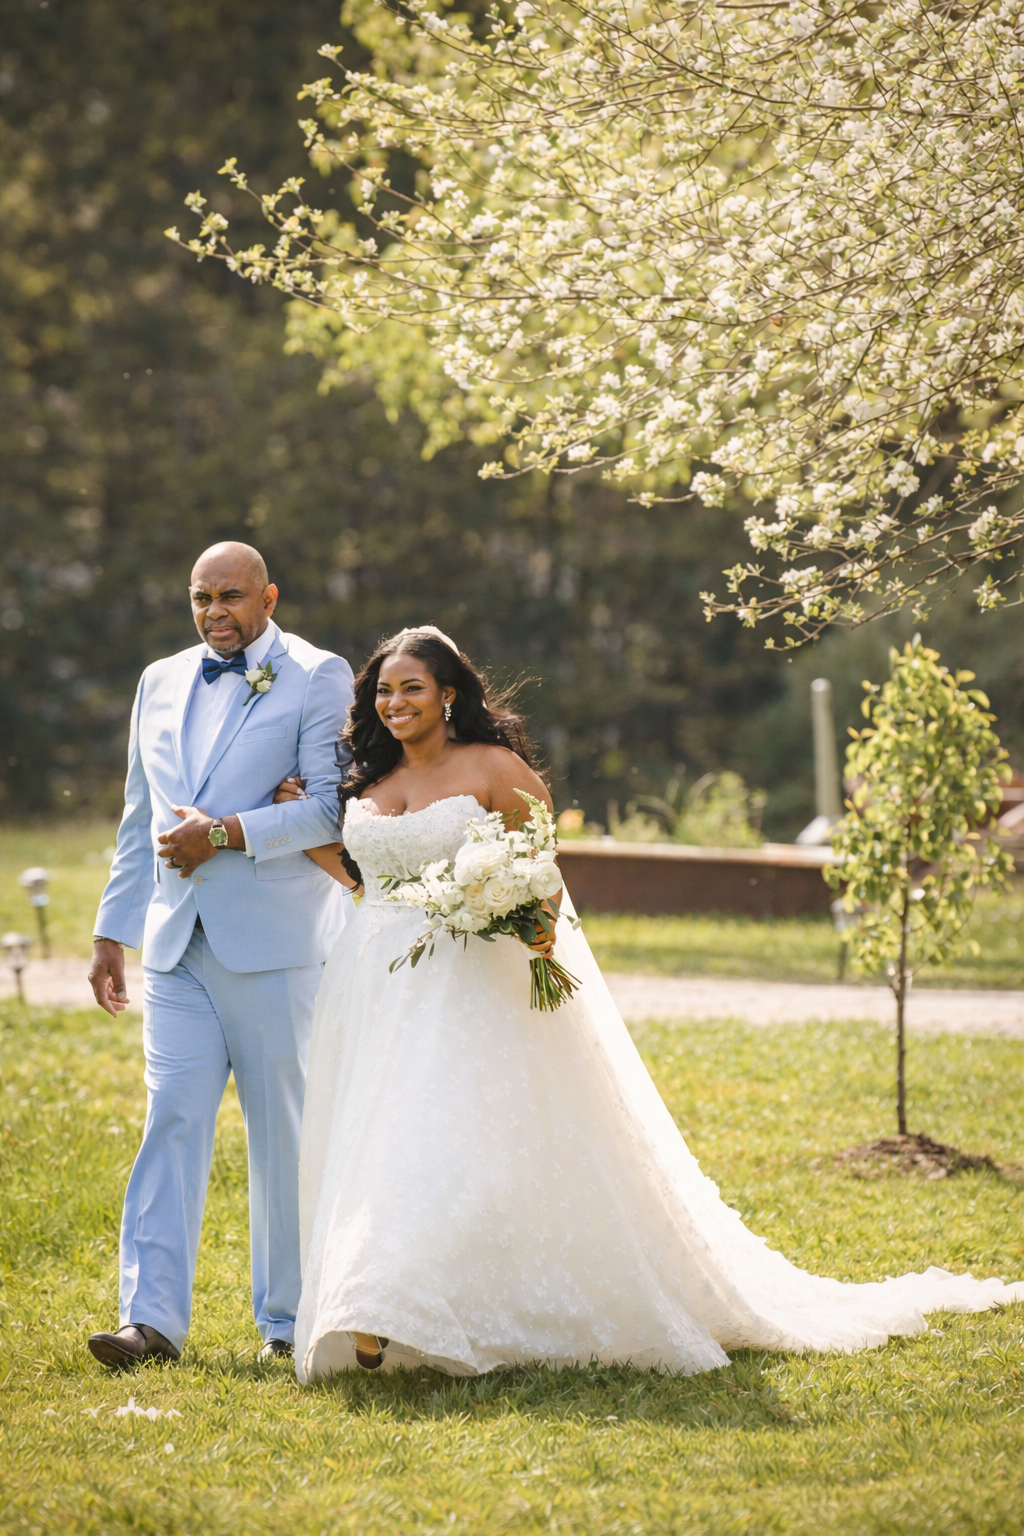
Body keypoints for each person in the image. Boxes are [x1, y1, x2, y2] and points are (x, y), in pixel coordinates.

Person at [285, 625, 1024, 1381]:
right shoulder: (368, 785)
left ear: (448, 694)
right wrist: (308, 837)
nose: (395, 701)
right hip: (373, 987)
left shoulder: (493, 766)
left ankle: (388, 1307)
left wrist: (512, 913)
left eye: (412, 687)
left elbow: (537, 869)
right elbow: (369, 884)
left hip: (468, 984)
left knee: (435, 1136)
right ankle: (377, 1303)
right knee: (377, 1133)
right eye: (383, 690)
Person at [85, 542, 354, 1369]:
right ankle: (151, 1321)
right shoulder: (159, 679)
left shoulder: (318, 674)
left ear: (269, 596)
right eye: (201, 598)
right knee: (170, 1119)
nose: (214, 614)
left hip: (275, 946)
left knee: (284, 1136)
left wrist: (229, 834)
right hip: (176, 946)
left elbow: (328, 814)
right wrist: (111, 929)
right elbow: (142, 815)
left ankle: (287, 1322)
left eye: (231, 597)